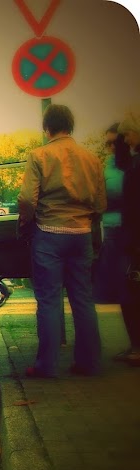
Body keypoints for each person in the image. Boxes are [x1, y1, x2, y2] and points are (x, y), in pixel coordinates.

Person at [17, 104, 106, 377]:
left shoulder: (39, 156)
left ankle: (46, 365)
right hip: (81, 234)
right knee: (83, 299)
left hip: (49, 234)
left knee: (49, 300)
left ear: (47, 128)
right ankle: (89, 363)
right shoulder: (92, 159)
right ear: (71, 126)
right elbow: (100, 204)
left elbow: (27, 199)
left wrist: (25, 225)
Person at [93, 123, 130, 304]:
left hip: (129, 227)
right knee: (116, 276)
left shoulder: (132, 163)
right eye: (108, 143)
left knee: (127, 276)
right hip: (110, 226)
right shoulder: (107, 166)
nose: (112, 147)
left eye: (116, 142)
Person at [114, 110, 140, 364]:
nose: (126, 140)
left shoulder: (136, 165)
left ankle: (137, 348)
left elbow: (133, 206)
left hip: (135, 238)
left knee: (131, 294)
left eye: (128, 134)